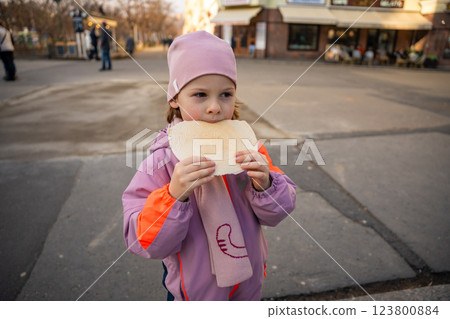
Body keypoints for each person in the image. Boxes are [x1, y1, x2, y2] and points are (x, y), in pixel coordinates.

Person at [122, 31, 296, 301]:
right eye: (200, 94)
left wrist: (266, 185)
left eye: (225, 94)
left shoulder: (249, 147)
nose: (215, 107)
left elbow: (279, 212)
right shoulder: (162, 160)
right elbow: (142, 240)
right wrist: (173, 195)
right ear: (175, 99)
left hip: (248, 289)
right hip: (194, 297)